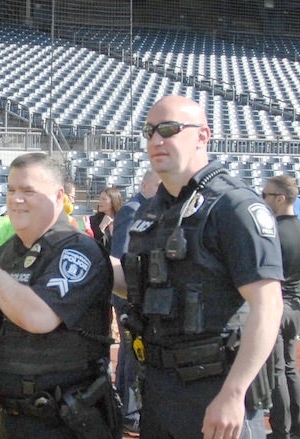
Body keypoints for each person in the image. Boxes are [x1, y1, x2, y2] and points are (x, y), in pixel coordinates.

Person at [114, 95, 283, 439]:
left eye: (169, 129)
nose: (156, 140)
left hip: (214, 389)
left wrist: (234, 394)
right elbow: (139, 287)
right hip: (159, 389)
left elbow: (268, 306)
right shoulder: (154, 209)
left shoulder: (233, 206)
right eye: (149, 131)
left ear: (203, 136)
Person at [0, 153, 119, 438]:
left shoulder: (77, 251)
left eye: (29, 191)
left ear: (58, 196)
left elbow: (39, 317)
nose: (16, 199)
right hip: (14, 418)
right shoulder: (5, 253)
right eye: (12, 190)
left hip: (66, 421)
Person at [108, 169, 161, 436]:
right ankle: (129, 414)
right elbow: (121, 256)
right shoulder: (133, 209)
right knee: (131, 353)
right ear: (149, 184)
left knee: (134, 354)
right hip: (128, 295)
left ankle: (127, 408)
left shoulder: (151, 208)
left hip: (139, 294)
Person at [262, 175, 300, 439]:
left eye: (266, 195)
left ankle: (281, 432)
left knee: (277, 371)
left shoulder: (270, 231)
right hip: (296, 306)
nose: (262, 199)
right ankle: (295, 428)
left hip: (276, 306)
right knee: (289, 366)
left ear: (280, 198)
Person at [90, 187, 123, 253]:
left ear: (114, 202)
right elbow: (91, 244)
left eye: (104, 199)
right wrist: (102, 227)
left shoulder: (123, 221)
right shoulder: (91, 220)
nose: (100, 202)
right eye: (99, 199)